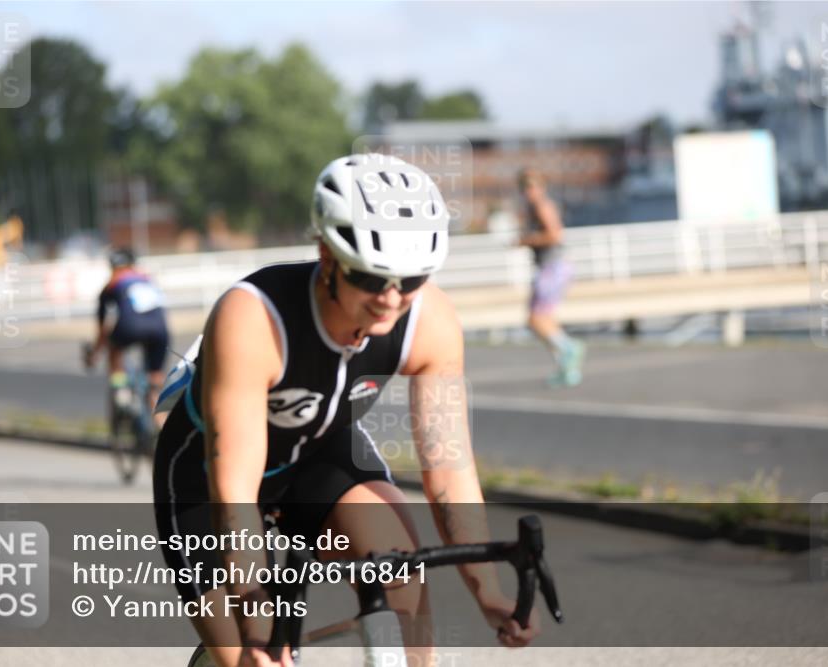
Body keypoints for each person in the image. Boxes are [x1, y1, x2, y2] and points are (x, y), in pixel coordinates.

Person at [153, 154, 541, 667]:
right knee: (253, 656)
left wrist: (486, 590)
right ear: (326, 255)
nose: (390, 298)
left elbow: (448, 466)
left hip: (321, 453)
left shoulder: (431, 321)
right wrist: (254, 618)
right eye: (371, 278)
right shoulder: (252, 318)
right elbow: (235, 490)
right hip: (207, 479)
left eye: (410, 279)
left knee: (400, 575)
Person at [84, 247, 170, 425]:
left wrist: (94, 354)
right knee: (154, 378)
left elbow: (102, 329)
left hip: (129, 327)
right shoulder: (147, 279)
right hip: (160, 329)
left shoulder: (112, 283)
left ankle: (120, 392)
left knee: (114, 349)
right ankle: (161, 425)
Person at [517, 168, 585, 386]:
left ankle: (568, 349)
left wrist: (527, 240)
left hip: (553, 266)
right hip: (551, 266)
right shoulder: (533, 207)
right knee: (546, 319)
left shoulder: (542, 205)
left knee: (536, 319)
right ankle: (567, 370)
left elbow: (554, 234)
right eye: (525, 186)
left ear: (541, 187)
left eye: (533, 185)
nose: (529, 191)